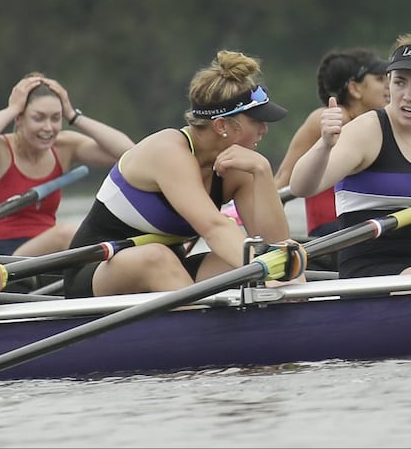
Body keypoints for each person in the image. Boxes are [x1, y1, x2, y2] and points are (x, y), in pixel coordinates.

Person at [64, 50, 301, 298]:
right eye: (256, 121)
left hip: (171, 273)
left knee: (289, 256)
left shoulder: (239, 166)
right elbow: (214, 228)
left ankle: (292, 328)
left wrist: (262, 171)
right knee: (158, 258)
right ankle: (203, 330)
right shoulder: (168, 151)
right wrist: (266, 269)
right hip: (97, 273)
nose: (264, 129)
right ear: (221, 125)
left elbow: (277, 244)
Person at [289, 24, 411, 278]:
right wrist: (324, 145)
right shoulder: (366, 132)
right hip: (368, 277)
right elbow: (301, 187)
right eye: (400, 82)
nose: (407, 96)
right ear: (389, 82)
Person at [0, 72, 135, 258]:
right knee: (67, 234)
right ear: (19, 119)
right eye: (38, 118)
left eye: (56, 118)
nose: (48, 128)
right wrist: (13, 108)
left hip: (51, 255)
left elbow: (128, 152)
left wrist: (73, 116)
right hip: (4, 260)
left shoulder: (63, 147)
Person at [274, 48, 390, 237]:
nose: (389, 86)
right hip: (330, 234)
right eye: (379, 79)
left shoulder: (385, 123)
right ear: (355, 89)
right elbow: (281, 182)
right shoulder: (327, 120)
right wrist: (273, 240)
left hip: (371, 228)